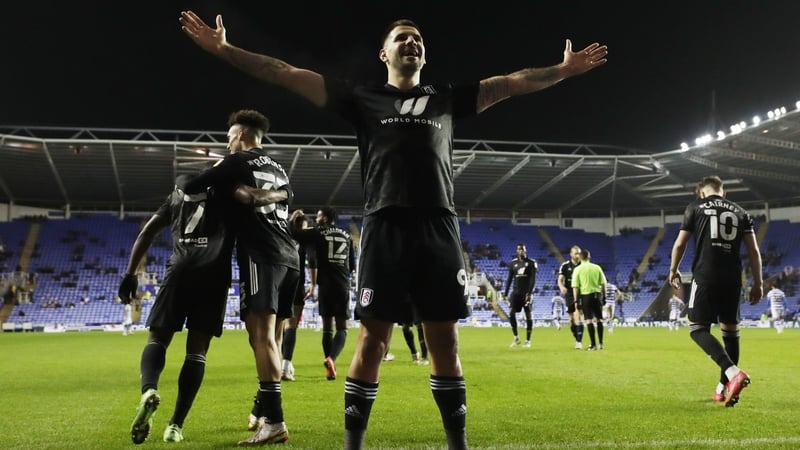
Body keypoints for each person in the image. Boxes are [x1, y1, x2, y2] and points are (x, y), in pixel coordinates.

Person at [180, 12, 607, 449]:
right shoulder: (362, 98)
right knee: (372, 341)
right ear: (384, 53)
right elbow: (284, 73)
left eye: (417, 38)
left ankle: (456, 444)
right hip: (385, 226)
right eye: (401, 38)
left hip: (439, 226)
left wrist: (564, 70)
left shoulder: (447, 98)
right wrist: (225, 50)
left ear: (424, 53)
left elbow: (513, 82)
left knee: (446, 341)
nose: (411, 42)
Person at [179, 110, 299, 445]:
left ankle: (274, 423)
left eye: (230, 136)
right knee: (267, 340)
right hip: (290, 257)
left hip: (262, 254)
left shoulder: (234, 161)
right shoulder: (278, 167)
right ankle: (262, 410)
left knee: (262, 339)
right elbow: (286, 198)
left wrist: (226, 185)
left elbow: (190, 185)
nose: (227, 142)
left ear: (243, 134)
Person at [119, 172, 236, 444]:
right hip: (214, 277)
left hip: (179, 270)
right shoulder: (227, 198)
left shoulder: (176, 196)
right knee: (197, 351)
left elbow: (147, 231)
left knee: (158, 339)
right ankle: (175, 426)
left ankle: (149, 389)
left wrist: (131, 273)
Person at [669, 175, 763, 407]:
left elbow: (680, 243)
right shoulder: (741, 212)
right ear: (724, 193)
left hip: (706, 275)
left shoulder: (695, 207)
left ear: (701, 192)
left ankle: (733, 374)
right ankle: (723, 389)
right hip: (733, 278)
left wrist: (673, 270)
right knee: (730, 332)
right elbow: (754, 251)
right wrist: (758, 283)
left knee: (697, 328)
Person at [289, 207, 356, 381]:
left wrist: (294, 217)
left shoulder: (318, 232)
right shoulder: (347, 235)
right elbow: (352, 265)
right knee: (342, 328)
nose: (316, 219)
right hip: (342, 284)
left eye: (318, 216)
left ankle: (330, 366)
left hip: (325, 285)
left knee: (327, 328)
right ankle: (331, 360)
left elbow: (294, 233)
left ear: (325, 218)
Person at [571, 249, 607, 350]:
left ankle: (593, 345)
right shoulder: (597, 267)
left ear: (580, 257)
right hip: (597, 295)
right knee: (599, 319)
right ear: (589, 257)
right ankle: (601, 344)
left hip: (586, 296)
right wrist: (604, 297)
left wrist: (576, 301)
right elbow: (603, 283)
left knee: (589, 320)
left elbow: (575, 287)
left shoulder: (577, 269)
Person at [504, 243, 538, 348]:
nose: (521, 251)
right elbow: (509, 279)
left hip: (526, 293)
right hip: (516, 293)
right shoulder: (513, 263)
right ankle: (516, 338)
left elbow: (533, 279)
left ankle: (528, 340)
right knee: (511, 313)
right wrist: (505, 293)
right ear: (517, 251)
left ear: (525, 250)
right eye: (519, 249)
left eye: (523, 249)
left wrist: (529, 292)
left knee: (528, 314)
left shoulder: (532, 263)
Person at [558, 245, 584, 349]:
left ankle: (579, 341)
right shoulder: (565, 266)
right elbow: (560, 279)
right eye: (576, 253)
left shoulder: (583, 265)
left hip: (581, 292)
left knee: (579, 315)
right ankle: (577, 336)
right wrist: (561, 287)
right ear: (571, 254)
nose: (578, 255)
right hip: (569, 292)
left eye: (579, 253)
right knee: (571, 319)